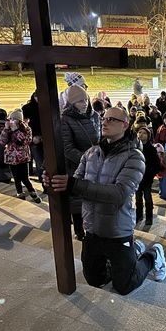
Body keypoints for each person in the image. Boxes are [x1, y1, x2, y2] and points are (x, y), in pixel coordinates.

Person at [43, 106, 166, 295]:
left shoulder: (135, 156)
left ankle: (153, 256)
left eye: (111, 119)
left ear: (125, 125)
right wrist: (54, 184)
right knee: (95, 280)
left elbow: (119, 193)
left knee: (124, 286)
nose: (104, 122)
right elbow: (76, 183)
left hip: (117, 230)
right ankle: (132, 253)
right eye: (104, 118)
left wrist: (74, 185)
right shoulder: (92, 153)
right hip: (92, 228)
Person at [61, 85, 102, 240]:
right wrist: (88, 160)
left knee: (95, 196)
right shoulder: (65, 120)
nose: (84, 103)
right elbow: (68, 148)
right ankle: (79, 230)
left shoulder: (95, 116)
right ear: (71, 103)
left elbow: (101, 139)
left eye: (85, 99)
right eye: (79, 101)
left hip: (96, 163)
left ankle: (95, 227)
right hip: (76, 165)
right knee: (78, 200)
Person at [0, 109, 41, 203]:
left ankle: (32, 192)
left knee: (25, 178)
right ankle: (20, 194)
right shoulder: (8, 129)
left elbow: (25, 141)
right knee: (16, 178)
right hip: (11, 157)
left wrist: (16, 130)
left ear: (19, 120)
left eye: (14, 119)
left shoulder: (26, 129)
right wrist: (6, 130)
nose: (11, 121)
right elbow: (2, 141)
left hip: (22, 157)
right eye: (10, 119)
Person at [135, 125, 160, 226]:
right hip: (136, 177)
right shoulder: (135, 147)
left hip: (147, 177)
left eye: (144, 133)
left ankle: (149, 217)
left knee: (148, 197)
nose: (141, 135)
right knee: (137, 198)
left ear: (148, 136)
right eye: (140, 132)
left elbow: (155, 164)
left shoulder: (151, 149)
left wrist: (150, 174)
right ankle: (139, 215)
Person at [22, 92, 44, 181]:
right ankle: (44, 184)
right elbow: (24, 124)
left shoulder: (48, 106)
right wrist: (32, 136)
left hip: (47, 138)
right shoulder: (27, 108)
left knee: (46, 162)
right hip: (34, 138)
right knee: (39, 162)